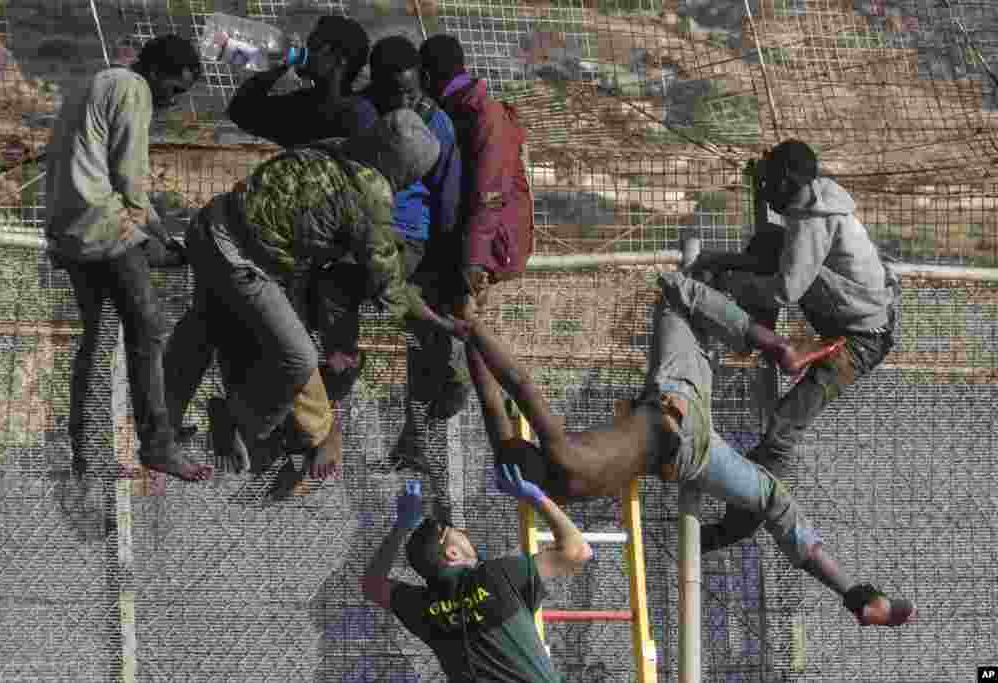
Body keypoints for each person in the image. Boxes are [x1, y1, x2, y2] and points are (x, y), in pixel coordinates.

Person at [457, 272, 916, 628]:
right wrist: (471, 327)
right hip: (676, 404)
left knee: (776, 501)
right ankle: (781, 348)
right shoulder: (558, 452)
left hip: (685, 460)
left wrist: (469, 345)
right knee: (676, 289)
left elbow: (492, 405)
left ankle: (855, 595)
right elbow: (516, 385)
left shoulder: (554, 486)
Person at [164, 110, 467, 488]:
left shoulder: (335, 148)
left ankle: (163, 431)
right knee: (299, 357)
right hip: (240, 261)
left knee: (201, 334)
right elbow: (391, 288)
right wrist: (439, 323)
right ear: (405, 171)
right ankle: (241, 420)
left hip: (209, 226)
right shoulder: (372, 194)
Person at [686, 139, 900, 554]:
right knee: (767, 243)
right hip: (847, 319)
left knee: (783, 429)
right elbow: (778, 256)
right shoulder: (811, 205)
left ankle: (742, 522)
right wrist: (725, 261)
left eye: (769, 182)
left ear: (788, 181)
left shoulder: (813, 221)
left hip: (861, 341)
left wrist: (729, 282)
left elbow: (786, 288)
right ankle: (754, 337)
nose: (765, 189)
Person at [44, 34, 212, 481]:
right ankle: (159, 443)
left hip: (69, 230)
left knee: (98, 341)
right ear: (155, 72)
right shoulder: (134, 89)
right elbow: (131, 184)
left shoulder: (94, 83)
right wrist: (164, 238)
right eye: (174, 90)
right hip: (103, 225)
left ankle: (87, 450)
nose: (173, 102)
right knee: (149, 327)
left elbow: (120, 182)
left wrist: (160, 237)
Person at [353, 35, 468, 473]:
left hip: (409, 237)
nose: (404, 100)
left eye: (411, 90)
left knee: (416, 323)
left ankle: (418, 428)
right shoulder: (362, 113)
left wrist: (445, 251)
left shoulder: (435, 123)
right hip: (362, 229)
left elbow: (447, 194)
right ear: (376, 85)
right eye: (394, 92)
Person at [362, 473, 592, 682]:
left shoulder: (420, 608)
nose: (465, 533)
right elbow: (579, 552)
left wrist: (401, 527)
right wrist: (536, 497)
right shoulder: (497, 576)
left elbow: (371, 585)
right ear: (452, 553)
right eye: (455, 532)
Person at [418, 35, 534, 309]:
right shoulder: (465, 109)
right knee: (461, 331)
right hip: (471, 241)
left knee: (463, 328)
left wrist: (474, 260)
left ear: (425, 76)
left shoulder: (483, 115)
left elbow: (490, 193)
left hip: (483, 246)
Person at [225, 15, 378, 147]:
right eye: (308, 44)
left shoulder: (359, 114)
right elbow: (240, 110)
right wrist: (279, 63)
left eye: (315, 46)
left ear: (340, 60)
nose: (306, 50)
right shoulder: (302, 106)